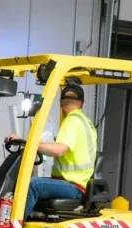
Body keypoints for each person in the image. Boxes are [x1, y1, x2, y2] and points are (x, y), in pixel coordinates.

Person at [6, 84, 97, 220]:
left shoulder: (72, 121)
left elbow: (60, 150)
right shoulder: (86, 122)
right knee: (28, 183)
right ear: (82, 103)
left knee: (32, 185)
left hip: (74, 186)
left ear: (60, 103)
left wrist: (29, 143)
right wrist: (28, 143)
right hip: (77, 184)